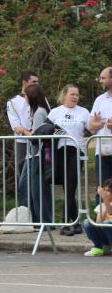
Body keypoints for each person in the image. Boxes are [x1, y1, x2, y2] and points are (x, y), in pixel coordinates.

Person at [49, 84, 91, 235]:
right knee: (67, 188)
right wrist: (61, 132)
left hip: (76, 151)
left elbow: (92, 128)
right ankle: (76, 223)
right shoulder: (55, 112)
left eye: (77, 95)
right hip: (60, 151)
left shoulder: (83, 112)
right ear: (64, 95)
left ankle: (66, 224)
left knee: (71, 186)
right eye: (72, 94)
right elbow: (47, 127)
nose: (75, 97)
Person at [20, 84, 53, 225]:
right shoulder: (36, 111)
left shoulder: (39, 112)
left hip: (38, 155)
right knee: (28, 186)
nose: (24, 98)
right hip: (34, 155)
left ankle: (44, 221)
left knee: (38, 189)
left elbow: (37, 137)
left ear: (31, 96)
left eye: (25, 95)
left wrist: (23, 131)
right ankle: (32, 218)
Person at [6, 70, 40, 204]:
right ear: (24, 83)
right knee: (23, 177)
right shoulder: (13, 102)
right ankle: (25, 208)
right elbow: (15, 126)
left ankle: (38, 209)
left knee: (38, 175)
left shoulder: (41, 99)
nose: (36, 84)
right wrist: (27, 132)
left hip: (38, 142)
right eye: (33, 82)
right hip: (22, 142)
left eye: (37, 82)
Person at [88, 66, 112, 205]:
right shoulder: (100, 100)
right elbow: (91, 128)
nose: (100, 81)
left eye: (103, 78)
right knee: (102, 187)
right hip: (102, 153)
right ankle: (101, 217)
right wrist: (100, 124)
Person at [84, 180, 112, 256]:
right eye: (104, 190)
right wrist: (103, 208)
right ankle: (98, 247)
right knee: (87, 222)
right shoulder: (102, 205)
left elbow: (110, 212)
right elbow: (98, 223)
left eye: (108, 191)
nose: (105, 193)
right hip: (106, 237)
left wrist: (105, 199)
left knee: (107, 223)